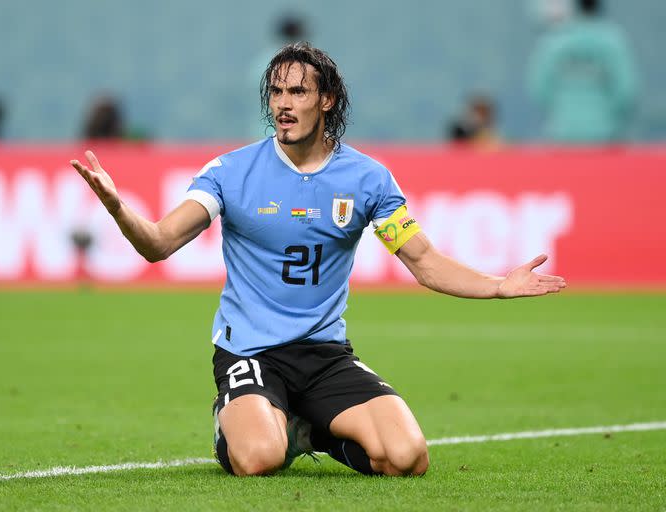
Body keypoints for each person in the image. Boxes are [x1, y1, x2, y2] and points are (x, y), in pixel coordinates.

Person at [71, 43, 566, 477]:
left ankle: (308, 430)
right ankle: (240, 420)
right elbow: (158, 243)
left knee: (407, 457)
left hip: (324, 356)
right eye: (276, 93)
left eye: (298, 93)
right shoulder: (231, 172)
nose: (283, 106)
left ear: (326, 100)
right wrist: (118, 208)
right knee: (259, 457)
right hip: (250, 352)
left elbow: (425, 261)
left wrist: (499, 285)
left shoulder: (368, 180)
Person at [527, 0, 638, 143]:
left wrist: (561, 113)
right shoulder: (613, 41)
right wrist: (611, 117)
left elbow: (539, 88)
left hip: (563, 133)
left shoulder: (554, 42)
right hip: (605, 134)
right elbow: (626, 91)